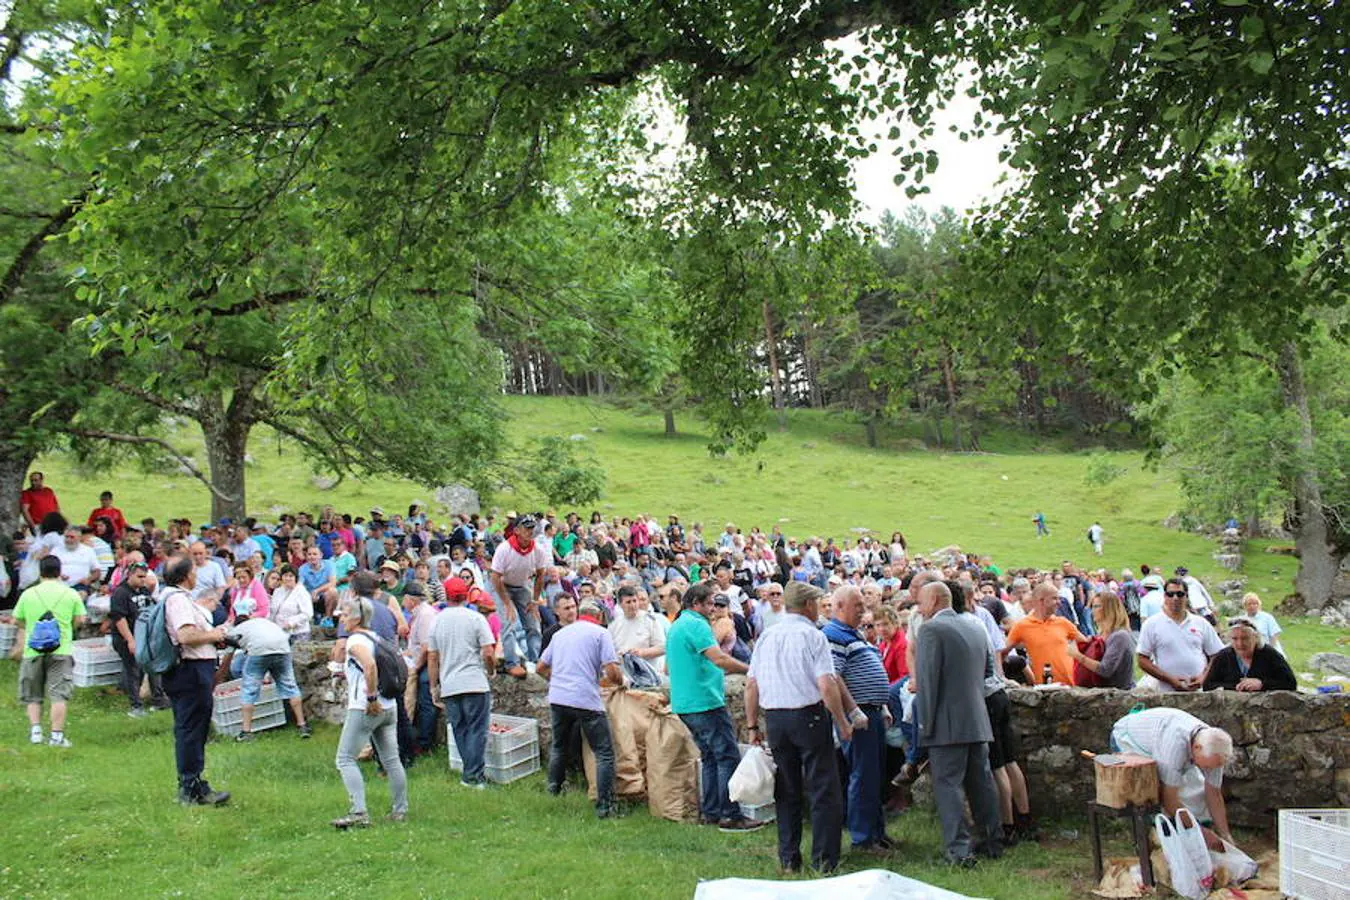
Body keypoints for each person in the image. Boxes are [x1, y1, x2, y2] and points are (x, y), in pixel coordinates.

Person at [744, 581, 852, 874]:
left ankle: (789, 858)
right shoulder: (812, 636)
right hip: (809, 715)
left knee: (787, 789)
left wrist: (753, 724)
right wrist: (842, 720)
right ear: (808, 605)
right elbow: (827, 684)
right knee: (823, 788)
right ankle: (824, 860)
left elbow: (751, 685)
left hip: (776, 718)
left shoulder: (767, 636)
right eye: (816, 603)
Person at [914, 581, 1003, 867]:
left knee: (948, 786)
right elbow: (989, 672)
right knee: (982, 783)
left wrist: (924, 726)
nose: (919, 607)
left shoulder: (930, 630)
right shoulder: (975, 626)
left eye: (922, 601)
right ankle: (992, 840)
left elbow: (928, 683)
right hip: (977, 717)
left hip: (946, 723)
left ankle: (960, 851)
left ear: (937, 599)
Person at [665, 582, 761, 833]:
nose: (713, 609)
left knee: (710, 757)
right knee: (726, 755)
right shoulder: (697, 624)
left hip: (685, 702)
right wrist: (750, 668)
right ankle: (730, 815)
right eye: (709, 604)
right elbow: (718, 658)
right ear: (696, 604)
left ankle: (711, 812)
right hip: (704, 701)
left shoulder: (677, 625)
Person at [823, 585, 895, 854]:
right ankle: (863, 839)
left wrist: (882, 705)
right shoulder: (833, 635)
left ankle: (876, 833)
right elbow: (833, 676)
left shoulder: (855, 634)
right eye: (858, 606)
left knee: (874, 775)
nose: (863, 611)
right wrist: (851, 713)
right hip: (860, 715)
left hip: (872, 711)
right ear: (840, 606)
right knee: (863, 776)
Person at [537, 599, 623, 819]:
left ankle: (553, 789)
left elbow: (540, 667)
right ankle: (605, 806)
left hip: (558, 697)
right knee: (603, 752)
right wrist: (620, 682)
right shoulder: (600, 633)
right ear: (600, 617)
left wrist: (556, 680)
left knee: (559, 746)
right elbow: (612, 671)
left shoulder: (560, 634)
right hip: (585, 699)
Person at [1109, 708, 1235, 850]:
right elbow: (1169, 799)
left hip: (1162, 739)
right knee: (1151, 793)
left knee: (1195, 790)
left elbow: (1213, 793)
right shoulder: (1174, 747)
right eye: (1207, 766)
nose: (1210, 770)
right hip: (1129, 739)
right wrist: (1202, 834)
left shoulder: (1215, 751)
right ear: (1197, 748)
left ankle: (1194, 838)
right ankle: (1153, 842)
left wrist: (1226, 835)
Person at [160, 555, 231, 805]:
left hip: (186, 669)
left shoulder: (169, 596)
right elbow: (186, 635)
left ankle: (193, 783)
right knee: (191, 728)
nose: (196, 574)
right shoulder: (178, 600)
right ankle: (191, 787)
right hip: (189, 669)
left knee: (189, 727)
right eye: (193, 571)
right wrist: (215, 634)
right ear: (185, 575)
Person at [332, 595, 408, 828]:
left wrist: (371, 697)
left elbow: (370, 665)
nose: (342, 620)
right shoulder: (376, 638)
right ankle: (400, 810)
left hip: (366, 706)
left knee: (344, 759)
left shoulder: (356, 641)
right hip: (390, 705)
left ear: (355, 618)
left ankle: (359, 813)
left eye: (345, 615)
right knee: (392, 760)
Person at [427, 576, 497, 789]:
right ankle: (473, 777)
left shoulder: (437, 621)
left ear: (446, 595)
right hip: (474, 681)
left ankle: (470, 775)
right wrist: (491, 671)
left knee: (460, 730)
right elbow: (488, 652)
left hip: (450, 683)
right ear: (466, 595)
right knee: (477, 730)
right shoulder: (475, 618)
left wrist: (433, 686)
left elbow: (432, 656)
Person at [13, 555, 87, 747]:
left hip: (33, 651)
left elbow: (17, 620)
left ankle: (36, 732)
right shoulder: (70, 593)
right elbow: (80, 620)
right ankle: (56, 736)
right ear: (59, 571)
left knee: (33, 694)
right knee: (58, 694)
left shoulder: (28, 594)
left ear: (40, 571)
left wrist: (30, 627)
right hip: (61, 649)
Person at [225, 596, 311, 740]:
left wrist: (216, 680)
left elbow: (228, 657)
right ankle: (302, 725)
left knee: (249, 688)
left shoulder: (236, 630)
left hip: (259, 652)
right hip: (282, 648)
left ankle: (246, 732)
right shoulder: (263, 622)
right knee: (290, 685)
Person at [490, 515, 551, 677]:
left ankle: (535, 660)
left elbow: (540, 575)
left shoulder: (538, 550)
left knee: (533, 623)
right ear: (516, 530)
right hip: (501, 585)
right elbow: (495, 577)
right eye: (526, 528)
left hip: (522, 585)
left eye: (532, 528)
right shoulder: (504, 549)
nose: (529, 531)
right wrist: (506, 602)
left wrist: (534, 600)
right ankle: (512, 662)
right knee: (508, 622)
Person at [1137, 577, 1223, 692]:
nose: (1175, 598)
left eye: (1180, 594)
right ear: (1164, 596)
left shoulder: (1201, 623)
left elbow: (1217, 654)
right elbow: (1142, 659)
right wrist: (1170, 680)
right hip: (1165, 691)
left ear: (1186, 596)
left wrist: (1204, 677)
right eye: (1170, 594)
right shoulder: (1151, 624)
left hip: (1198, 691)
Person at [107, 559, 168, 717]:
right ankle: (136, 705)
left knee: (152, 668)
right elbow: (119, 619)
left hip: (144, 636)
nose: (143, 580)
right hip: (126, 636)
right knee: (133, 671)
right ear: (130, 575)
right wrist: (130, 640)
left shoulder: (144, 591)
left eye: (144, 576)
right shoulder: (120, 593)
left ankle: (159, 699)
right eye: (140, 576)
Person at [1002, 582, 1085, 685]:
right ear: (1041, 601)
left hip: (1072, 686)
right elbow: (1001, 652)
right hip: (1045, 690)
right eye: (1054, 598)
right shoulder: (1022, 626)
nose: (1059, 602)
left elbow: (1086, 645)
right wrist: (1002, 677)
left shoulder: (1063, 622)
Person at [1203, 617, 1297, 692]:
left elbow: (1290, 683)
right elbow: (1208, 685)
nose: (1240, 644)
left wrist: (1262, 684)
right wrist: (1236, 686)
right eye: (1235, 639)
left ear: (1255, 638)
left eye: (1245, 638)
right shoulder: (1223, 656)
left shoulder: (1269, 654)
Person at [1066, 592, 1137, 689]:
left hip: (1120, 696)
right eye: (1092, 607)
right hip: (1103, 695)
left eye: (1096, 607)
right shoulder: (1100, 634)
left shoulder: (1120, 636)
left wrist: (1078, 655)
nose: (1092, 611)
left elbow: (1105, 670)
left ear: (1109, 609)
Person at [608, 584, 667, 672]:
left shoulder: (650, 620)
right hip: (625, 674)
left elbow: (663, 648)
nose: (633, 605)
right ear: (620, 604)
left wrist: (642, 652)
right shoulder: (614, 625)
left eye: (634, 601)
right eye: (628, 602)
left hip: (648, 673)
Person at [268, 566, 313, 643]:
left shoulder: (301, 592)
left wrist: (291, 622)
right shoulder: (277, 591)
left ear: (296, 578)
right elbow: (273, 610)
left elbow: (308, 614)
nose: (288, 578)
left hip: (297, 633)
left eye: (291, 576)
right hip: (278, 631)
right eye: (285, 576)